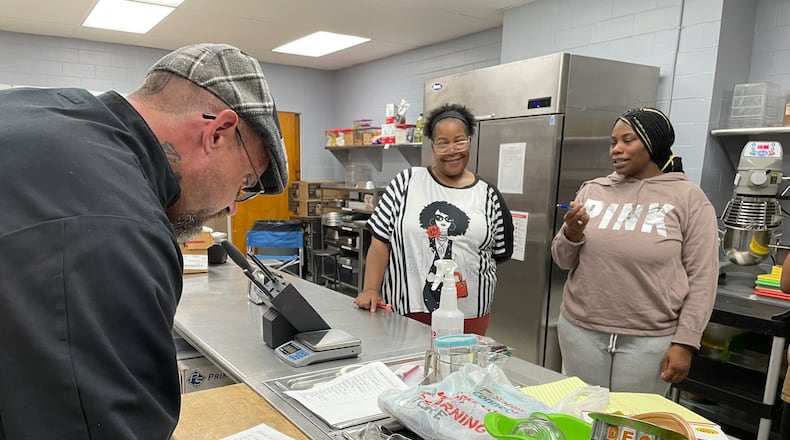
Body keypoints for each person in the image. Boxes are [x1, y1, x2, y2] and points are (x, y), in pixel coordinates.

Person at [0, 43, 288, 439]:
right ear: (218, 132)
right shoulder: (120, 226)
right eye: (244, 183)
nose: (232, 208)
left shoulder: (43, 108)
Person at [550, 107, 718, 394]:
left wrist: (686, 342)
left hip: (650, 341)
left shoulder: (689, 198)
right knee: (583, 416)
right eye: (613, 142)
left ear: (653, 143)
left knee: (634, 427)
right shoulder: (593, 190)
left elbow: (703, 277)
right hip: (581, 331)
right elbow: (563, 260)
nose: (616, 149)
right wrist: (572, 233)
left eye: (628, 140)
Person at [354, 103, 514, 335]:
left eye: (459, 140)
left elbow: (498, 253)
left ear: (470, 140)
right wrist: (370, 288)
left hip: (469, 316)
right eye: (443, 143)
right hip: (406, 312)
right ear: (432, 145)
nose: (452, 150)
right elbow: (380, 242)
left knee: (462, 369)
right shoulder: (406, 183)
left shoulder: (488, 194)